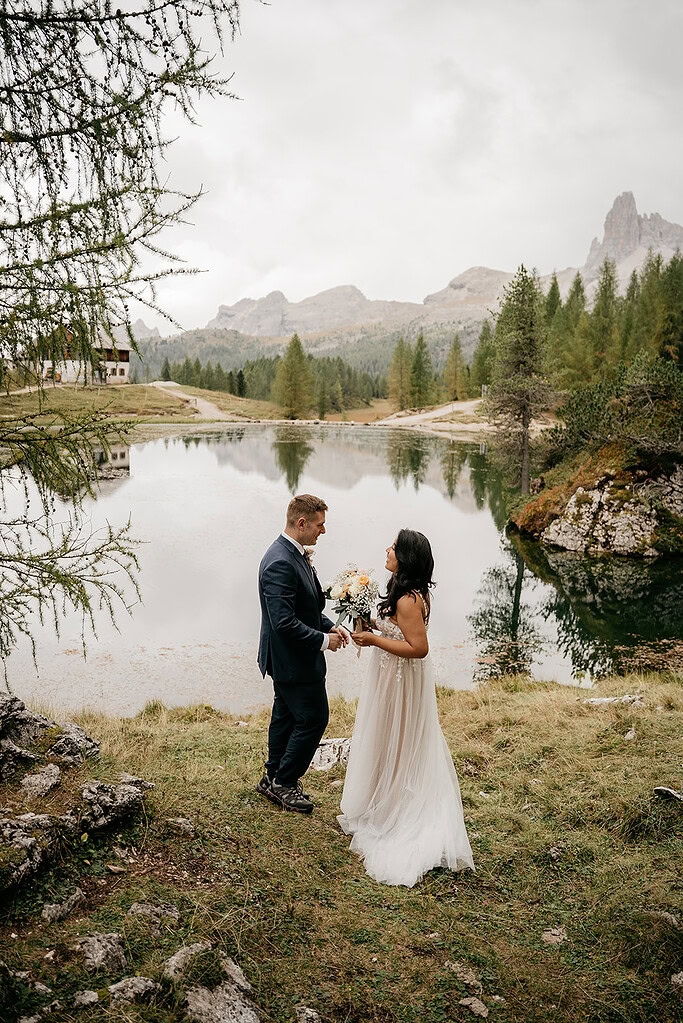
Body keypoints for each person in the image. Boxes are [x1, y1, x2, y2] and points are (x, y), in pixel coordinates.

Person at [338, 529, 474, 886]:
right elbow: (389, 632)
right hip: (389, 677)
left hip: (401, 683)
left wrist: (374, 639)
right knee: (385, 740)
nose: (387, 549)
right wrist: (361, 621)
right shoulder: (401, 592)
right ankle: (382, 799)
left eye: (394, 547)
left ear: (407, 558)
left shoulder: (410, 599)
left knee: (399, 742)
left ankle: (397, 813)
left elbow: (418, 647)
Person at [257, 494, 349, 814]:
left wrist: (330, 626)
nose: (323, 531)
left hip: (292, 658)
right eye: (319, 525)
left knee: (285, 716)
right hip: (292, 660)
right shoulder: (281, 561)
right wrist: (325, 641)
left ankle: (272, 777)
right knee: (313, 718)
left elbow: (307, 608)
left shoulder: (295, 554)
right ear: (301, 523)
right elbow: (283, 623)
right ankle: (285, 782)